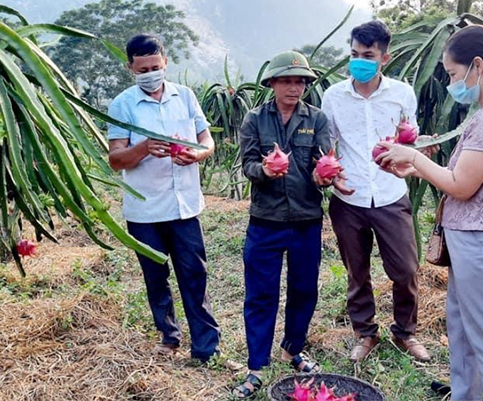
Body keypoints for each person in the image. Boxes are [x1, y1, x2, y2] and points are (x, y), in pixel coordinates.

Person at [377, 24, 483, 401]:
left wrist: (412, 154)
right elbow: (465, 176)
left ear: (478, 66)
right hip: (472, 245)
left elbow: (462, 185)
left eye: (453, 74)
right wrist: (416, 167)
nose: (451, 82)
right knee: (464, 334)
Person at [232, 50, 353, 398]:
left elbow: (323, 165)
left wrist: (324, 177)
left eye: (300, 81)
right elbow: (248, 166)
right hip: (265, 221)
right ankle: (256, 366)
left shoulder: (317, 119)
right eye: (287, 80)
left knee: (304, 290)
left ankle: (292, 349)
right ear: (272, 83)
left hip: (306, 220)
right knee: (261, 294)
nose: (294, 87)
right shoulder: (254, 119)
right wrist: (265, 171)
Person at [320, 20, 431, 362]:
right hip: (348, 197)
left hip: (389, 193)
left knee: (405, 269)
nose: (359, 62)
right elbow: (327, 146)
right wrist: (331, 174)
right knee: (357, 271)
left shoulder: (401, 94)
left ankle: (405, 333)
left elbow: (408, 138)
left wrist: (415, 156)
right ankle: (365, 334)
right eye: (353, 54)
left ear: (385, 57)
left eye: (367, 55)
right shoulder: (333, 96)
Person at [107, 34, 221, 363]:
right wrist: (143, 148)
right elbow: (115, 160)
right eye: (143, 70)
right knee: (156, 277)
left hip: (184, 204)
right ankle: (169, 337)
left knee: (194, 274)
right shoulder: (123, 105)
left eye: (155, 67)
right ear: (131, 68)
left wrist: (198, 155)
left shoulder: (184, 97)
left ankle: (206, 347)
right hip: (144, 209)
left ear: (165, 62)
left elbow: (205, 139)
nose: (150, 74)